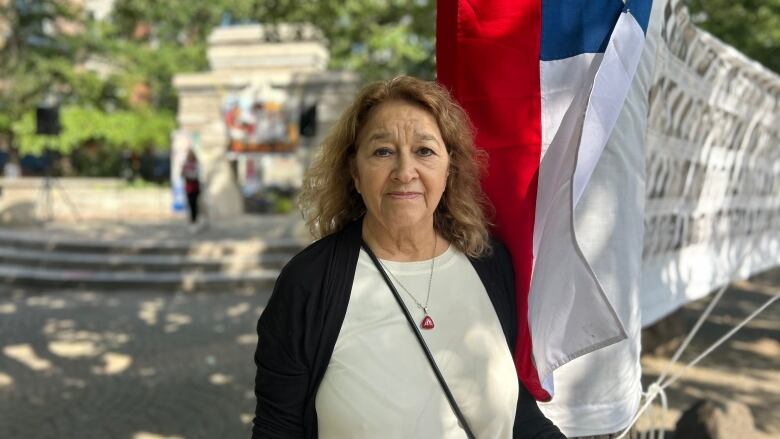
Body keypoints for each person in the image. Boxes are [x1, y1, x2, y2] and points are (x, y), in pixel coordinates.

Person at [252, 76, 565, 439]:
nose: (404, 172)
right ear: (355, 172)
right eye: (383, 151)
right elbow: (277, 428)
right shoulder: (309, 284)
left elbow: (520, 417)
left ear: (449, 169)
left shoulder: (491, 265)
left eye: (425, 151)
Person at [181, 150, 201, 228]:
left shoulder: (196, 164)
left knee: (194, 204)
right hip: (189, 187)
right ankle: (192, 219)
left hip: (195, 187)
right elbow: (182, 174)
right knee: (190, 203)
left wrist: (188, 174)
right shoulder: (186, 164)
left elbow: (195, 175)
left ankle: (194, 219)